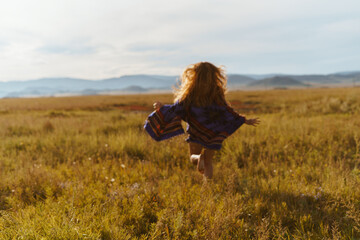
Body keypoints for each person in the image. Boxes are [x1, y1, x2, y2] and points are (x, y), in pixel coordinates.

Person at [144, 62, 259, 179]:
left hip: (196, 131)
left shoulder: (190, 93)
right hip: (214, 132)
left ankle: (199, 158)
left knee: (193, 158)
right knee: (208, 162)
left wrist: (162, 108)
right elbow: (225, 109)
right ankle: (207, 189)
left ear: (195, 75)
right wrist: (243, 120)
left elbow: (177, 108)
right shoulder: (216, 91)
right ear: (214, 75)